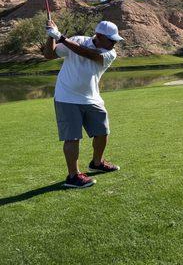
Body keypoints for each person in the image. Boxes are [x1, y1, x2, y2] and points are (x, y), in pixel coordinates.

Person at [43, 20, 123, 188]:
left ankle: (97, 162)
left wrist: (61, 37)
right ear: (99, 36)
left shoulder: (110, 53)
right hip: (67, 97)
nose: (115, 43)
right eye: (112, 40)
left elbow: (90, 55)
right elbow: (49, 55)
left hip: (92, 98)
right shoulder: (78, 40)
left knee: (103, 132)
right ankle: (73, 176)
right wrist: (51, 36)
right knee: (72, 137)